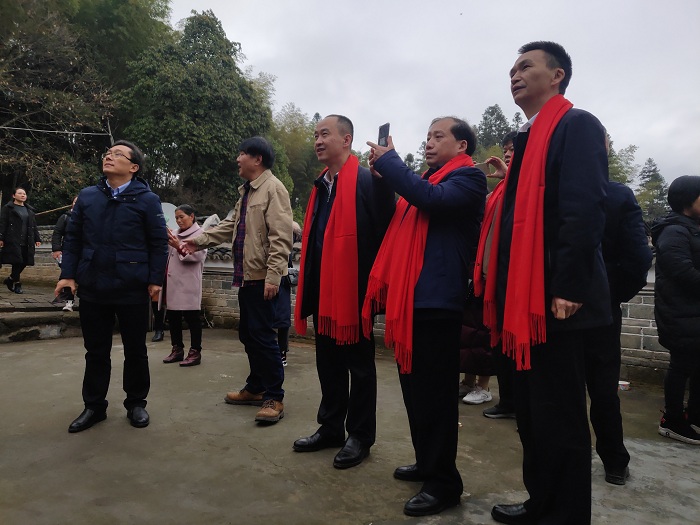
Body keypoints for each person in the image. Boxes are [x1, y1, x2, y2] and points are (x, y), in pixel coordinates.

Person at [484, 42, 611, 525]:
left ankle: (565, 514)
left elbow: (584, 208)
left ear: (556, 75)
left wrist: (569, 287)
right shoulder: (529, 138)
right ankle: (542, 502)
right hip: (525, 301)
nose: (514, 75)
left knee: (560, 417)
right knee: (534, 415)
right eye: (511, 69)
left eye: (525, 66)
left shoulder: (575, 125)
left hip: (557, 302)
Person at [364, 117, 486, 516]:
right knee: (415, 391)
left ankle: (444, 483)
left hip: (438, 301)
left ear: (462, 146)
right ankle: (426, 462)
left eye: (438, 136)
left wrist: (391, 162)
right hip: (410, 300)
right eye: (427, 137)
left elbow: (430, 200)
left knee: (436, 396)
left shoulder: (468, 179)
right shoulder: (422, 181)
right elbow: (391, 216)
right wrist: (382, 179)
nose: (429, 143)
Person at [292, 115, 395, 469]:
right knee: (328, 364)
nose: (318, 141)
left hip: (354, 291)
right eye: (315, 135)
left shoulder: (366, 179)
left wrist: (385, 180)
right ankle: (331, 427)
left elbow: (386, 223)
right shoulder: (320, 186)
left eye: (325, 134)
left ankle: (360, 436)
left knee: (360, 368)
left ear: (346, 139)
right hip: (324, 289)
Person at [56, 140, 168, 433]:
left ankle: (136, 403)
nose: (109, 156)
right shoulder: (88, 196)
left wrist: (155, 280)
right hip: (93, 284)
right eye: (108, 153)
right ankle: (94, 406)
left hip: (132, 285)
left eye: (118, 154)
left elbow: (158, 243)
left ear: (133, 167)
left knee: (135, 349)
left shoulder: (147, 200)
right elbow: (73, 239)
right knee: (95, 350)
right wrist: (68, 275)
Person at [182, 136, 293, 424]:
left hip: (264, 278)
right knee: (249, 335)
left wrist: (273, 276)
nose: (237, 159)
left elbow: (281, 237)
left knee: (264, 338)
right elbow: (229, 226)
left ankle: (274, 396)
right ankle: (256, 387)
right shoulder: (247, 193)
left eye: (242, 153)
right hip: (247, 277)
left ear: (257, 158)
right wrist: (197, 241)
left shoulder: (274, 189)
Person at [585, 175, 653, 485]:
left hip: (558, 306)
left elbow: (640, 258)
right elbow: (638, 257)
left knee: (565, 390)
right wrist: (612, 294)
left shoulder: (552, 190)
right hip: (602, 306)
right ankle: (614, 462)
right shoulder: (616, 194)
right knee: (603, 388)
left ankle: (569, 464)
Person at [651, 175, 700, 445]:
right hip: (679, 314)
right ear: (687, 200)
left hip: (693, 313)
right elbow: (683, 273)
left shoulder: (692, 228)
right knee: (681, 365)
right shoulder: (674, 232)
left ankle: (694, 416)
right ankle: (672, 420)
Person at [478, 131, 517, 418]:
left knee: (515, 344)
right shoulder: (500, 191)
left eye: (513, 149)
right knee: (499, 343)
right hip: (494, 277)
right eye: (505, 150)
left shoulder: (525, 185)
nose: (507, 154)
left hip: (515, 278)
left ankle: (519, 404)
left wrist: (511, 177)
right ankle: (509, 401)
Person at [161, 204, 206, 367]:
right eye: (176, 218)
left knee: (192, 318)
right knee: (173, 317)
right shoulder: (174, 233)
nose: (179, 221)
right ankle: (177, 348)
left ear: (191, 216)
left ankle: (195, 351)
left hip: (189, 283)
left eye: (182, 217)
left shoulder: (201, 234)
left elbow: (197, 256)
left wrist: (178, 246)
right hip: (173, 282)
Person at [0, 187, 42, 294]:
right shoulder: (8, 208)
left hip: (27, 240)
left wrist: (37, 238)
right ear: (14, 195)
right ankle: (17, 283)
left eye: (24, 193)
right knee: (17, 261)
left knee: (25, 261)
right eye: (20, 193)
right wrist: (1, 237)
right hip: (13, 239)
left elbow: (33, 226)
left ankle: (10, 279)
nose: (23, 195)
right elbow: (3, 223)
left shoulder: (29, 210)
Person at [276, 221, 302, 367]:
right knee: (276, 319)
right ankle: (276, 352)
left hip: (283, 284)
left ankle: (282, 352)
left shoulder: (287, 247)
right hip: (273, 281)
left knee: (283, 320)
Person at [51, 196, 78, 311]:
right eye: (75, 201)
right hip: (68, 251)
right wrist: (56, 249)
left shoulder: (90, 217)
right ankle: (69, 302)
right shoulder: (65, 217)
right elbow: (57, 233)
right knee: (67, 275)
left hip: (85, 252)